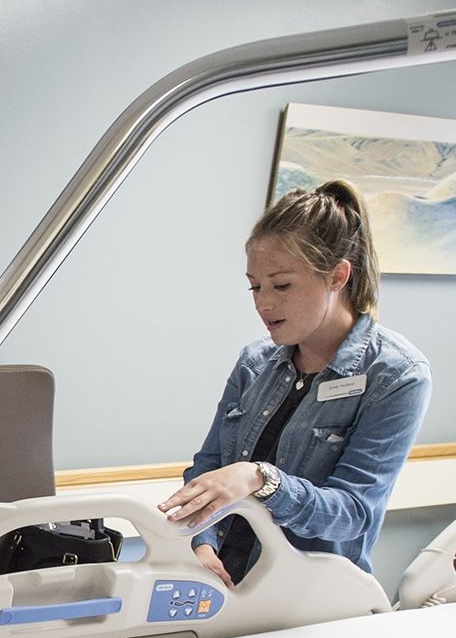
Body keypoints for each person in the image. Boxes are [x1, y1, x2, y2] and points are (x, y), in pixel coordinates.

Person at [159, 180, 430, 586]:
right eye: (255, 285)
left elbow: (353, 513)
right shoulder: (254, 362)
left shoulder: (395, 376)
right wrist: (201, 542)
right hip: (222, 583)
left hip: (311, 597)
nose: (263, 303)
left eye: (282, 285)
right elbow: (210, 468)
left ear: (337, 276)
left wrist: (262, 479)